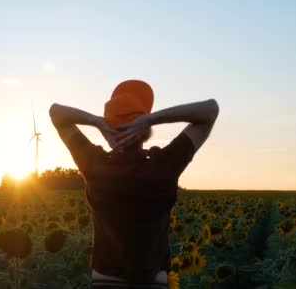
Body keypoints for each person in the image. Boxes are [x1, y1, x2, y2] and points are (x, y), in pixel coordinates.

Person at [49, 80, 219, 288]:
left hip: (105, 281)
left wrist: (97, 121)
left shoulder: (94, 164)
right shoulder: (165, 165)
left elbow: (56, 113)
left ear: (108, 130)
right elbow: (211, 110)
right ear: (145, 131)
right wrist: (152, 118)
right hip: (153, 282)